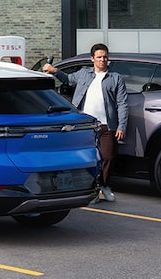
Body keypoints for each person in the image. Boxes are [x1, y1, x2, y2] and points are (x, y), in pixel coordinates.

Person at [43, 43, 128, 202]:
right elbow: (68, 80)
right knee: (86, 158)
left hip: (106, 125)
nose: (103, 60)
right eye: (99, 57)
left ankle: (104, 186)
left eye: (105, 57)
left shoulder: (115, 78)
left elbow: (122, 103)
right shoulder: (84, 74)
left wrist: (121, 126)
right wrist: (54, 71)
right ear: (92, 59)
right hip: (85, 126)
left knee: (107, 157)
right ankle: (92, 191)